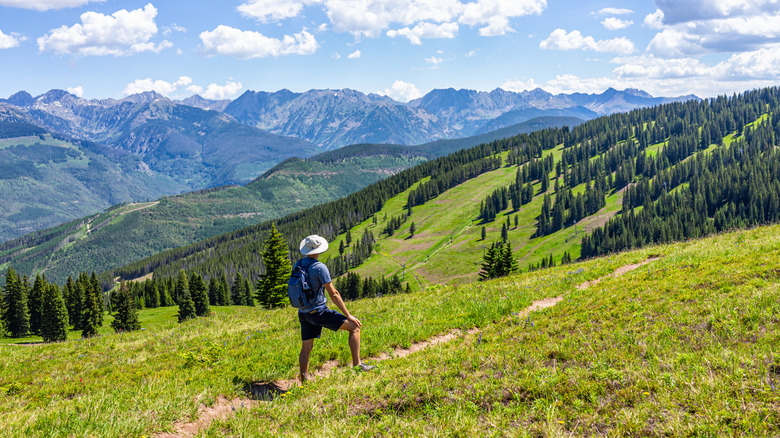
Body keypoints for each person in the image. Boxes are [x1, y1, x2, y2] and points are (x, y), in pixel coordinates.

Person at [294, 234, 374, 382]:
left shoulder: (298, 264)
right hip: (319, 312)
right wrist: (348, 315)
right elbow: (334, 293)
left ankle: (304, 381)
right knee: (354, 327)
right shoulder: (319, 267)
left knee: (306, 348)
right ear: (318, 250)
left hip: (303, 313)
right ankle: (357, 366)